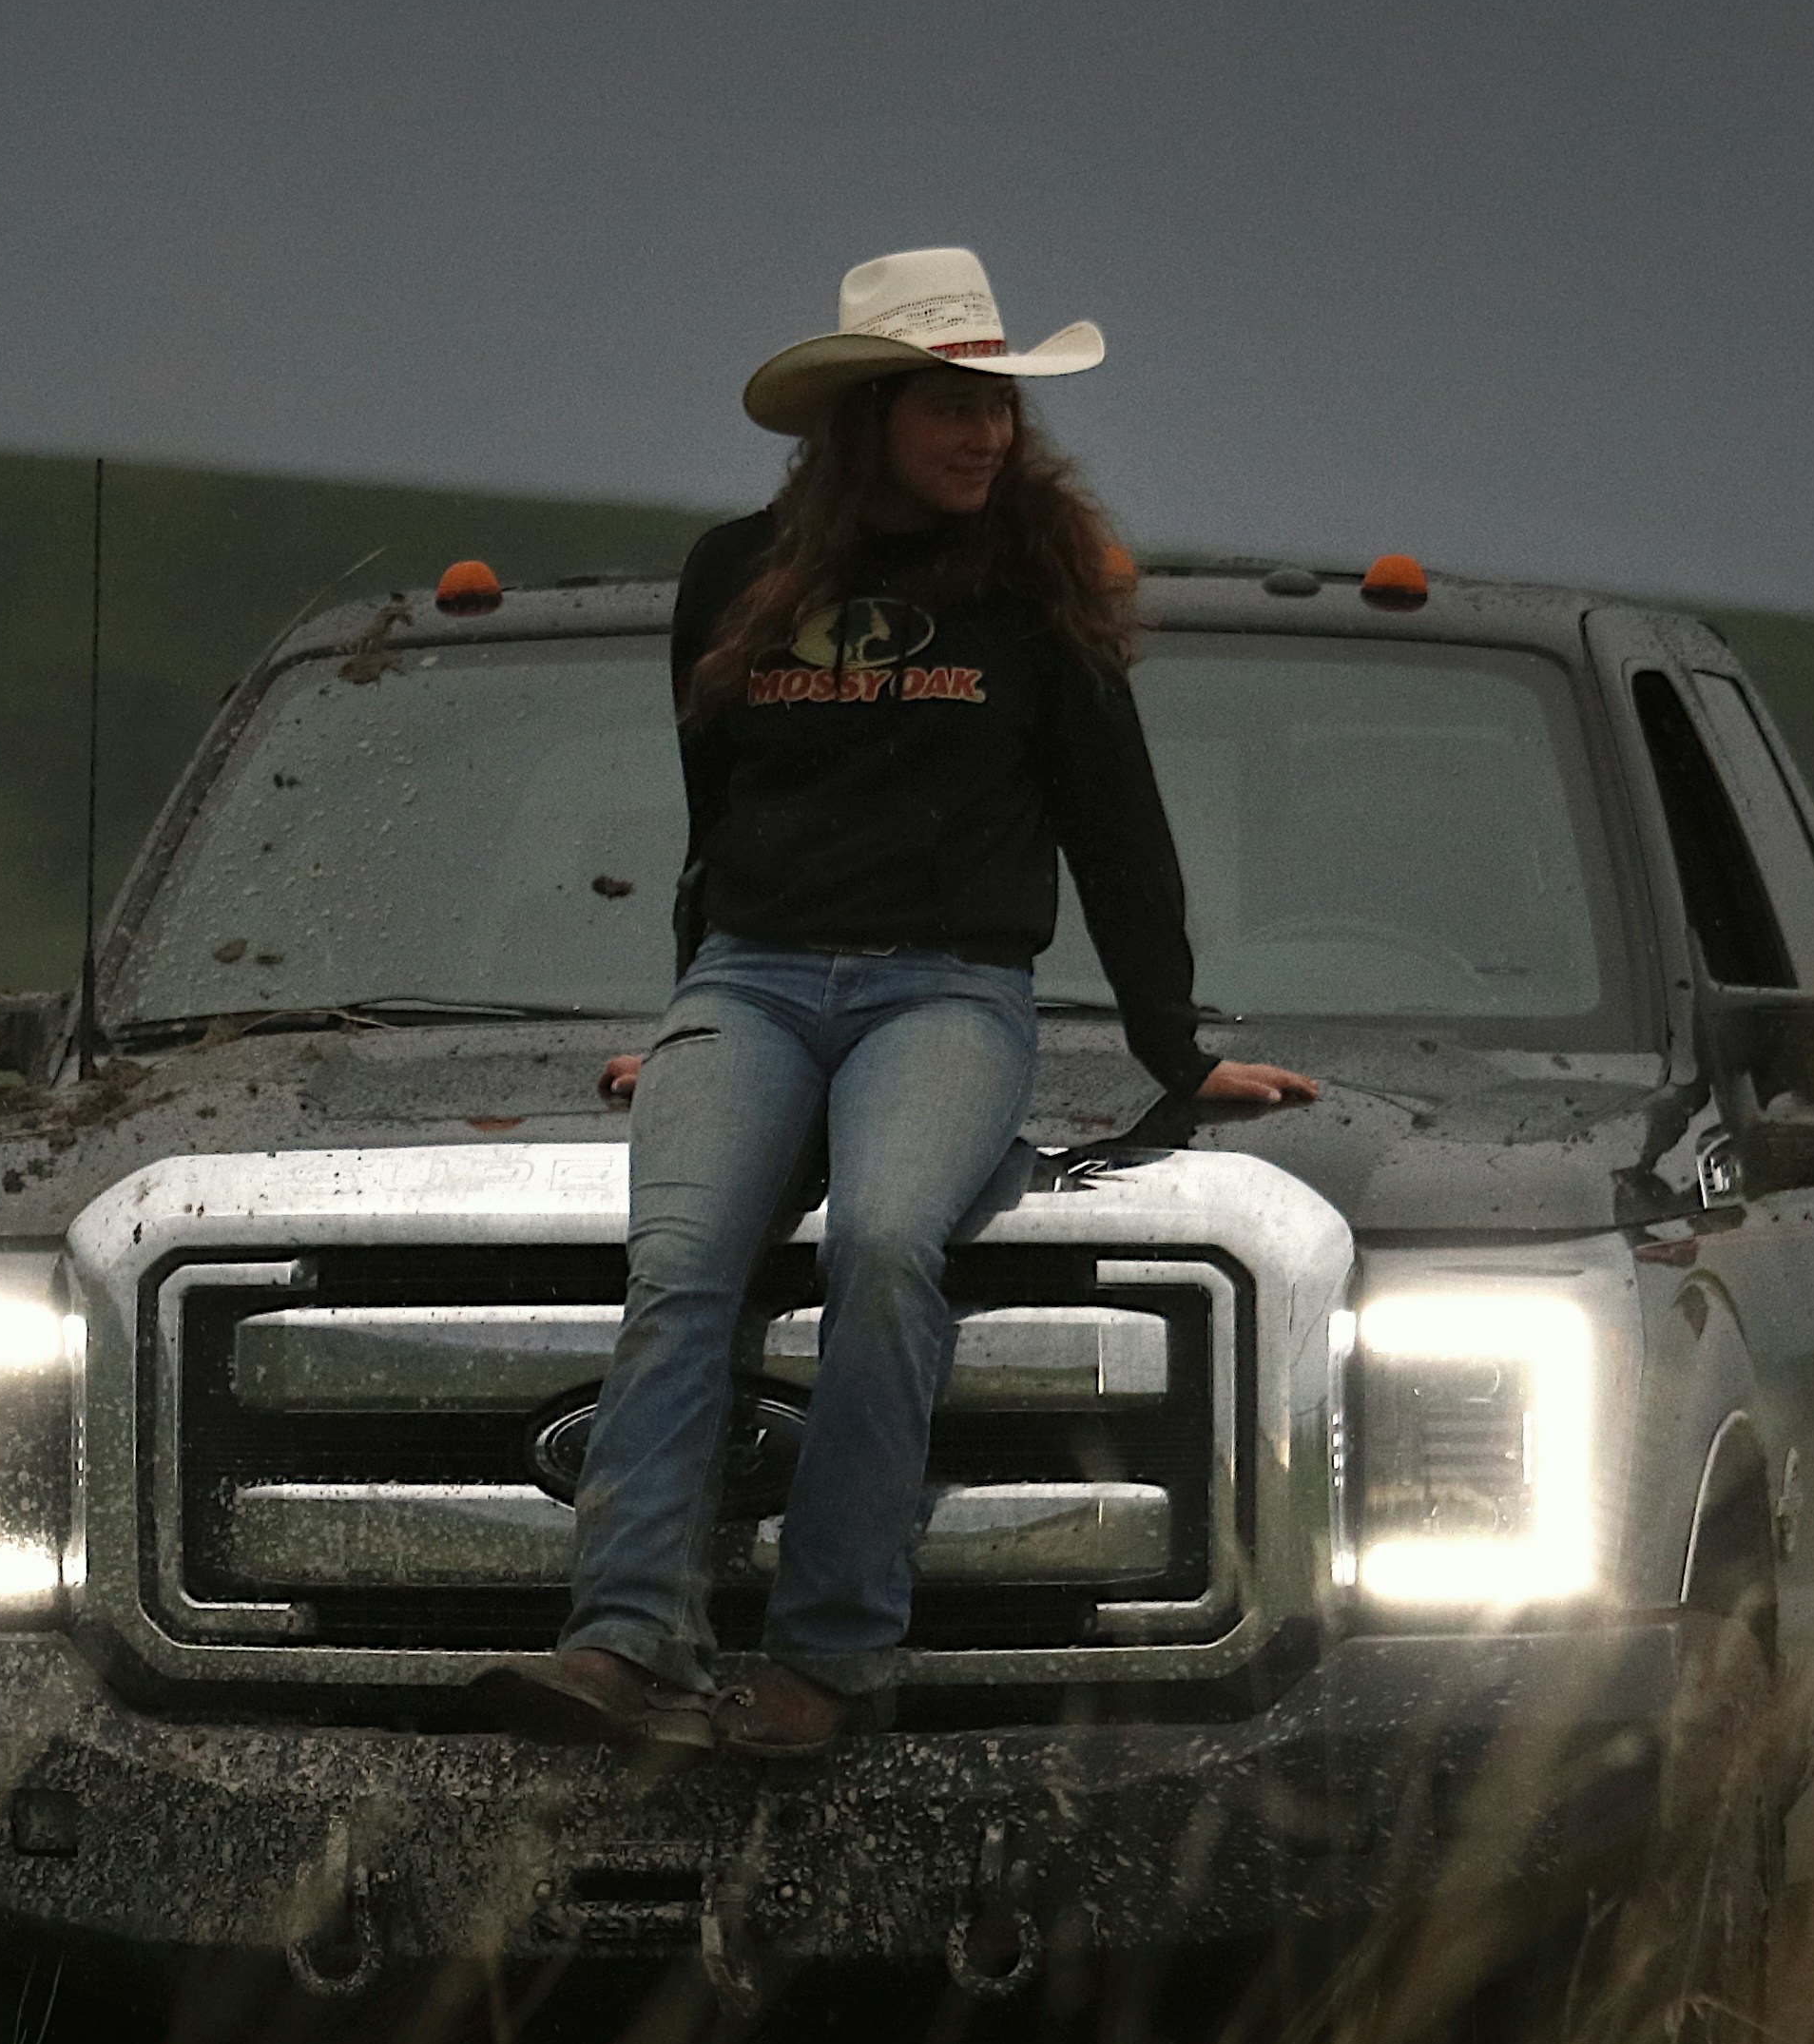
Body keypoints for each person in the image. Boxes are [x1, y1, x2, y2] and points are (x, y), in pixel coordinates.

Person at [503, 247, 1317, 1759]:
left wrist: (1175, 1050)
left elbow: (1115, 826)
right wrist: (688, 1017)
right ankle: (623, 1644)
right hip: (746, 986)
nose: (984, 436)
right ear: (861, 415)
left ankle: (826, 1659)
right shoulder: (728, 575)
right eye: (950, 405)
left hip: (945, 994)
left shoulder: (1032, 593)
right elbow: (717, 817)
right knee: (680, 1266)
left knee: (885, 1246)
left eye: (997, 408)